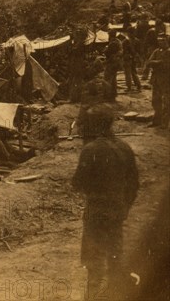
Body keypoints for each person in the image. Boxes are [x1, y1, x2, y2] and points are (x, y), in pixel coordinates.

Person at [72, 105, 139, 300]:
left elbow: (78, 182)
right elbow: (134, 183)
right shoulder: (125, 148)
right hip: (117, 210)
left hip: (96, 211)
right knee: (115, 257)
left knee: (94, 263)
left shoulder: (91, 150)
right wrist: (125, 206)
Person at [143, 37, 170, 129]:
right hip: (156, 79)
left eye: (163, 41)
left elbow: (166, 64)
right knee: (155, 101)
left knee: (167, 102)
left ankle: (165, 123)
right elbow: (148, 62)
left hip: (166, 80)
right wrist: (157, 62)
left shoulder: (168, 52)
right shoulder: (156, 51)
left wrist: (156, 63)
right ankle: (157, 121)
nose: (161, 43)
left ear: (167, 42)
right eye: (159, 41)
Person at [103, 30, 122, 100]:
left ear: (110, 35)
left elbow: (108, 52)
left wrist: (105, 50)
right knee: (113, 79)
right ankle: (113, 95)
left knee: (107, 79)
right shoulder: (118, 41)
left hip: (111, 62)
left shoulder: (113, 43)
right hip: (117, 62)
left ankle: (108, 95)